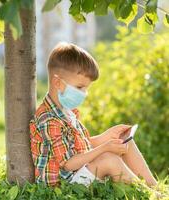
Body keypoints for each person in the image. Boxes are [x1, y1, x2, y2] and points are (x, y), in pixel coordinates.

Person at [29, 42, 157, 188]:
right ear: (57, 82)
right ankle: (149, 194)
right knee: (109, 159)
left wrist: (107, 137)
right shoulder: (49, 119)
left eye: (86, 88)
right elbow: (68, 164)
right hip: (63, 185)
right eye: (79, 87)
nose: (84, 93)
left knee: (123, 140)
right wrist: (104, 148)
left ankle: (153, 186)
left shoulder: (66, 111)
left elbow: (78, 146)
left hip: (77, 172)